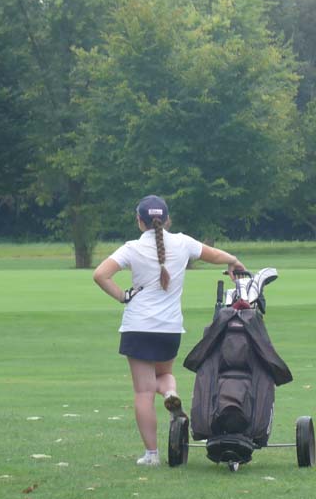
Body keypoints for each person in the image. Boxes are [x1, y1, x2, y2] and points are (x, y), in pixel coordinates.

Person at [92, 195, 244, 467]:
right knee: (164, 375)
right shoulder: (183, 242)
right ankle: (171, 393)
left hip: (138, 327)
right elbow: (217, 255)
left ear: (139, 221)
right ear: (168, 219)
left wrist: (122, 296)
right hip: (170, 328)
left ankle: (152, 455)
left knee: (143, 392)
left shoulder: (131, 248)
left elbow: (100, 275)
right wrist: (234, 261)